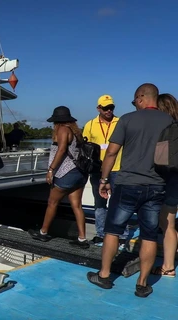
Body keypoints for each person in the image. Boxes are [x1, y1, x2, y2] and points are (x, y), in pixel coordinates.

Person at [87, 83, 173, 298]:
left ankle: (105, 275)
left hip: (127, 183)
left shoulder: (127, 119)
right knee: (150, 236)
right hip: (156, 185)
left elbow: (111, 154)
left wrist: (104, 180)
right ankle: (142, 284)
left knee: (113, 230)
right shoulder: (169, 121)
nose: (135, 105)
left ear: (141, 97)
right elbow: (166, 157)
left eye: (135, 101)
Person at [28, 106, 89, 249]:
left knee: (52, 203)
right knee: (77, 205)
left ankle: (43, 232)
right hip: (79, 173)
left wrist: (50, 170)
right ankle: (82, 239)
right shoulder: (75, 132)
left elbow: (61, 150)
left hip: (65, 173)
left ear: (57, 121)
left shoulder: (63, 129)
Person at [83, 95, 128, 249]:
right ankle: (101, 234)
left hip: (117, 169)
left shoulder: (121, 122)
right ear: (98, 108)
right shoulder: (90, 124)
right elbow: (84, 146)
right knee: (100, 203)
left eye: (111, 107)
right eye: (105, 108)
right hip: (97, 170)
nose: (109, 110)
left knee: (120, 203)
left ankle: (121, 236)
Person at [150, 93, 178, 277]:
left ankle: (167, 267)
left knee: (166, 223)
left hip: (171, 180)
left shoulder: (167, 130)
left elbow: (160, 161)